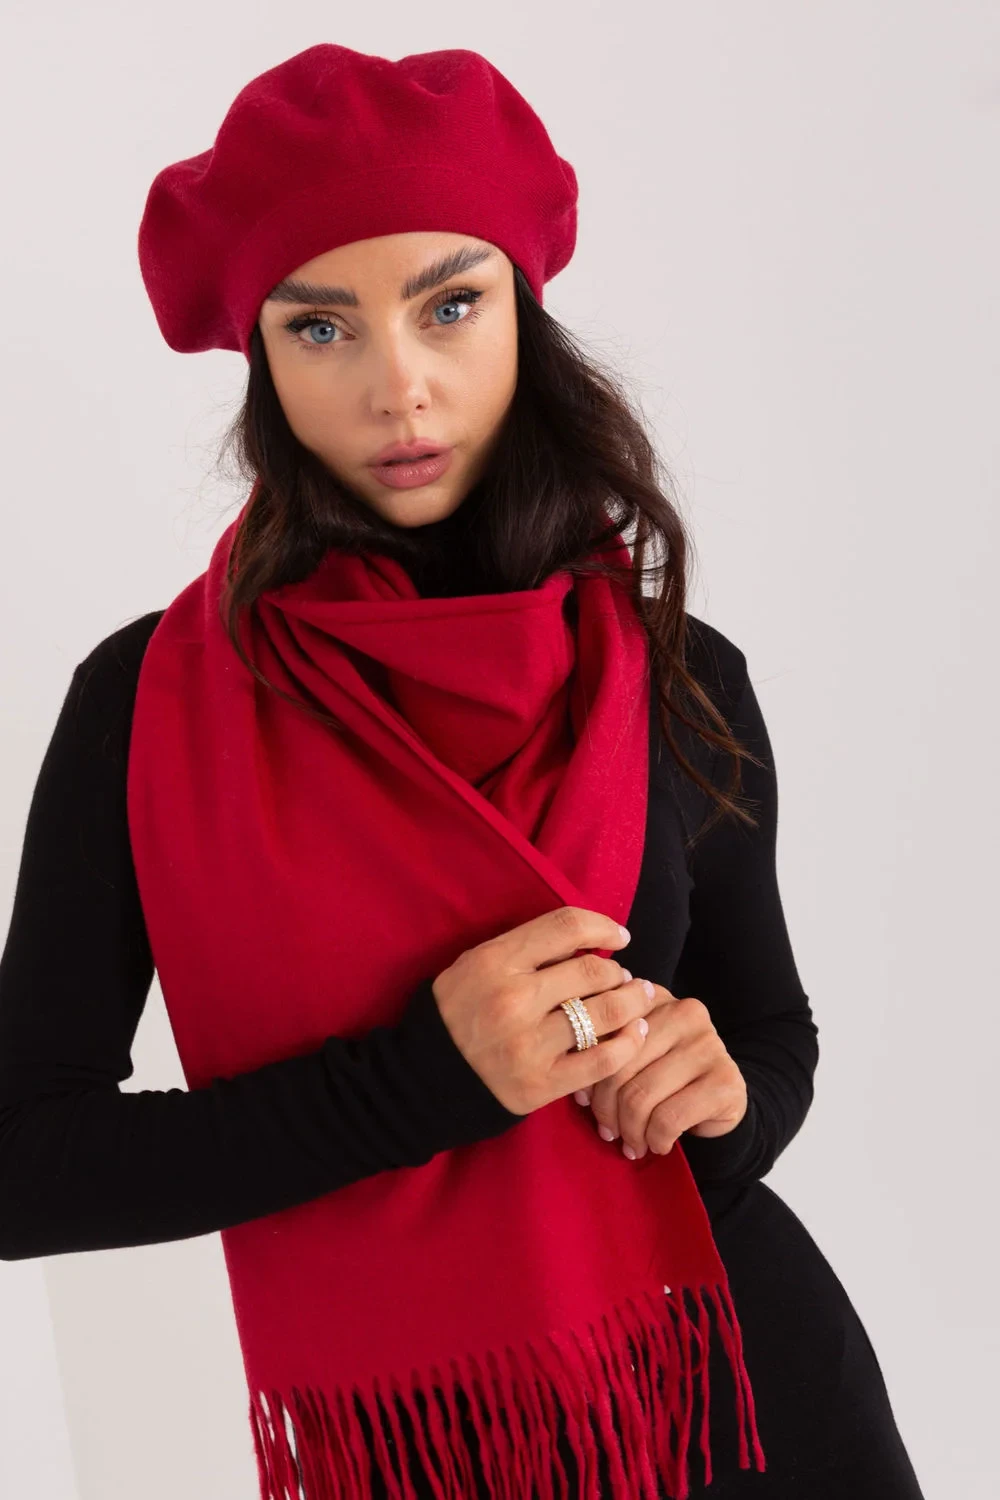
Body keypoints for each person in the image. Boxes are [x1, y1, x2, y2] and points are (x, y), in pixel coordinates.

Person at [0, 43, 926, 1500]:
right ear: (261, 360)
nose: (400, 386)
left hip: (743, 1396)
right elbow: (21, 1161)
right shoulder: (149, 706)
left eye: (449, 304)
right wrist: (423, 1084)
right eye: (322, 327)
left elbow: (771, 1027)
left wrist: (730, 1097)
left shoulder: (677, 669)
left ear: (523, 312)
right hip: (434, 1447)